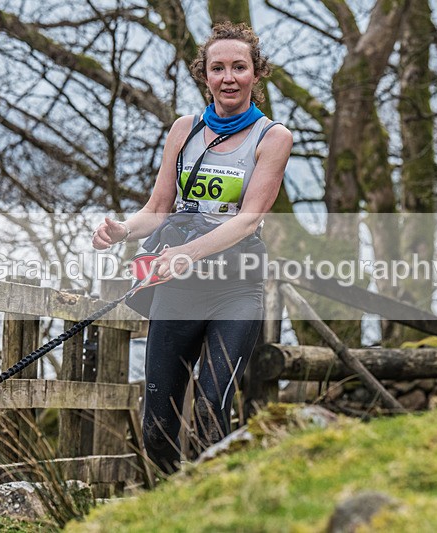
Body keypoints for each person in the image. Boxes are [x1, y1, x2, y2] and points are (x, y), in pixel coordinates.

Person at [92, 22, 292, 474]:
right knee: (157, 426)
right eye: (218, 68)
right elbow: (159, 207)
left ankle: (220, 503)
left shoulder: (273, 137)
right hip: (176, 289)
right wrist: (122, 230)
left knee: (208, 411)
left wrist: (188, 252)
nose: (228, 77)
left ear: (256, 74)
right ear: (204, 75)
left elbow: (248, 220)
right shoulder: (184, 129)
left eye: (239, 67)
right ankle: (172, 503)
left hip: (235, 288)